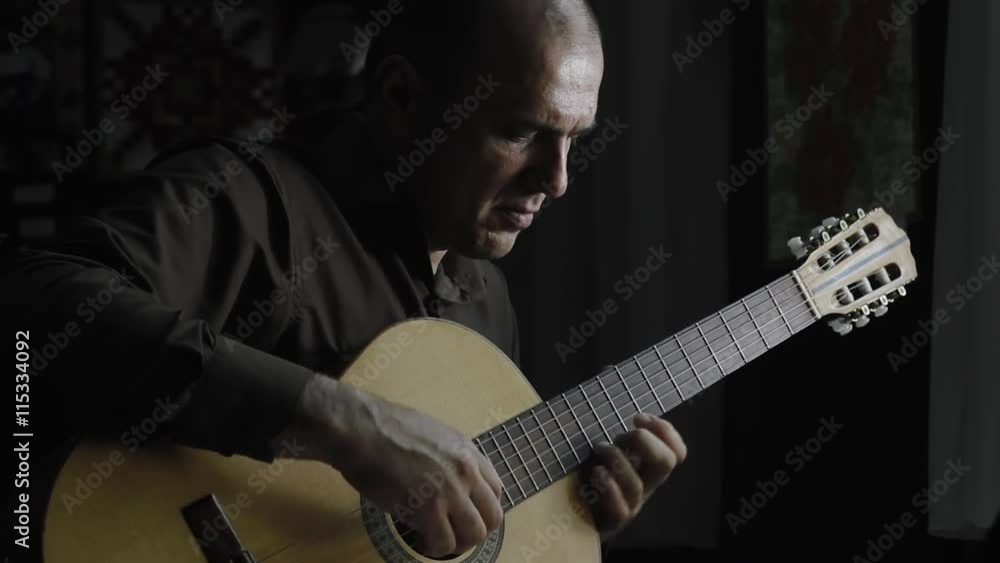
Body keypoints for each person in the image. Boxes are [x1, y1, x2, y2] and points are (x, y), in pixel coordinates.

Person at [2, 0, 687, 558]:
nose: (557, 179)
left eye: (575, 139)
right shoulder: (247, 202)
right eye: (522, 131)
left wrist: (569, 519)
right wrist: (344, 423)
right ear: (400, 96)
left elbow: (414, 536)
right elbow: (31, 307)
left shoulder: (486, 301)